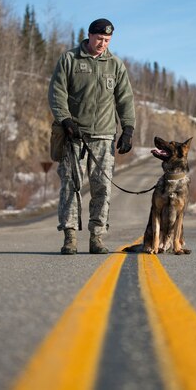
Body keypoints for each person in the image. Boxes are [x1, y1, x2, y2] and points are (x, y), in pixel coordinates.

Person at [48, 18, 135, 254]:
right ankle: (70, 238)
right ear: (89, 35)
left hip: (104, 136)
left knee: (102, 188)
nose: (102, 44)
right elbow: (57, 92)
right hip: (73, 135)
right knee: (70, 185)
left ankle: (97, 237)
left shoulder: (115, 65)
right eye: (99, 39)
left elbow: (125, 99)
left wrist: (128, 129)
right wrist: (65, 120)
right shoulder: (70, 59)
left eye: (107, 40)